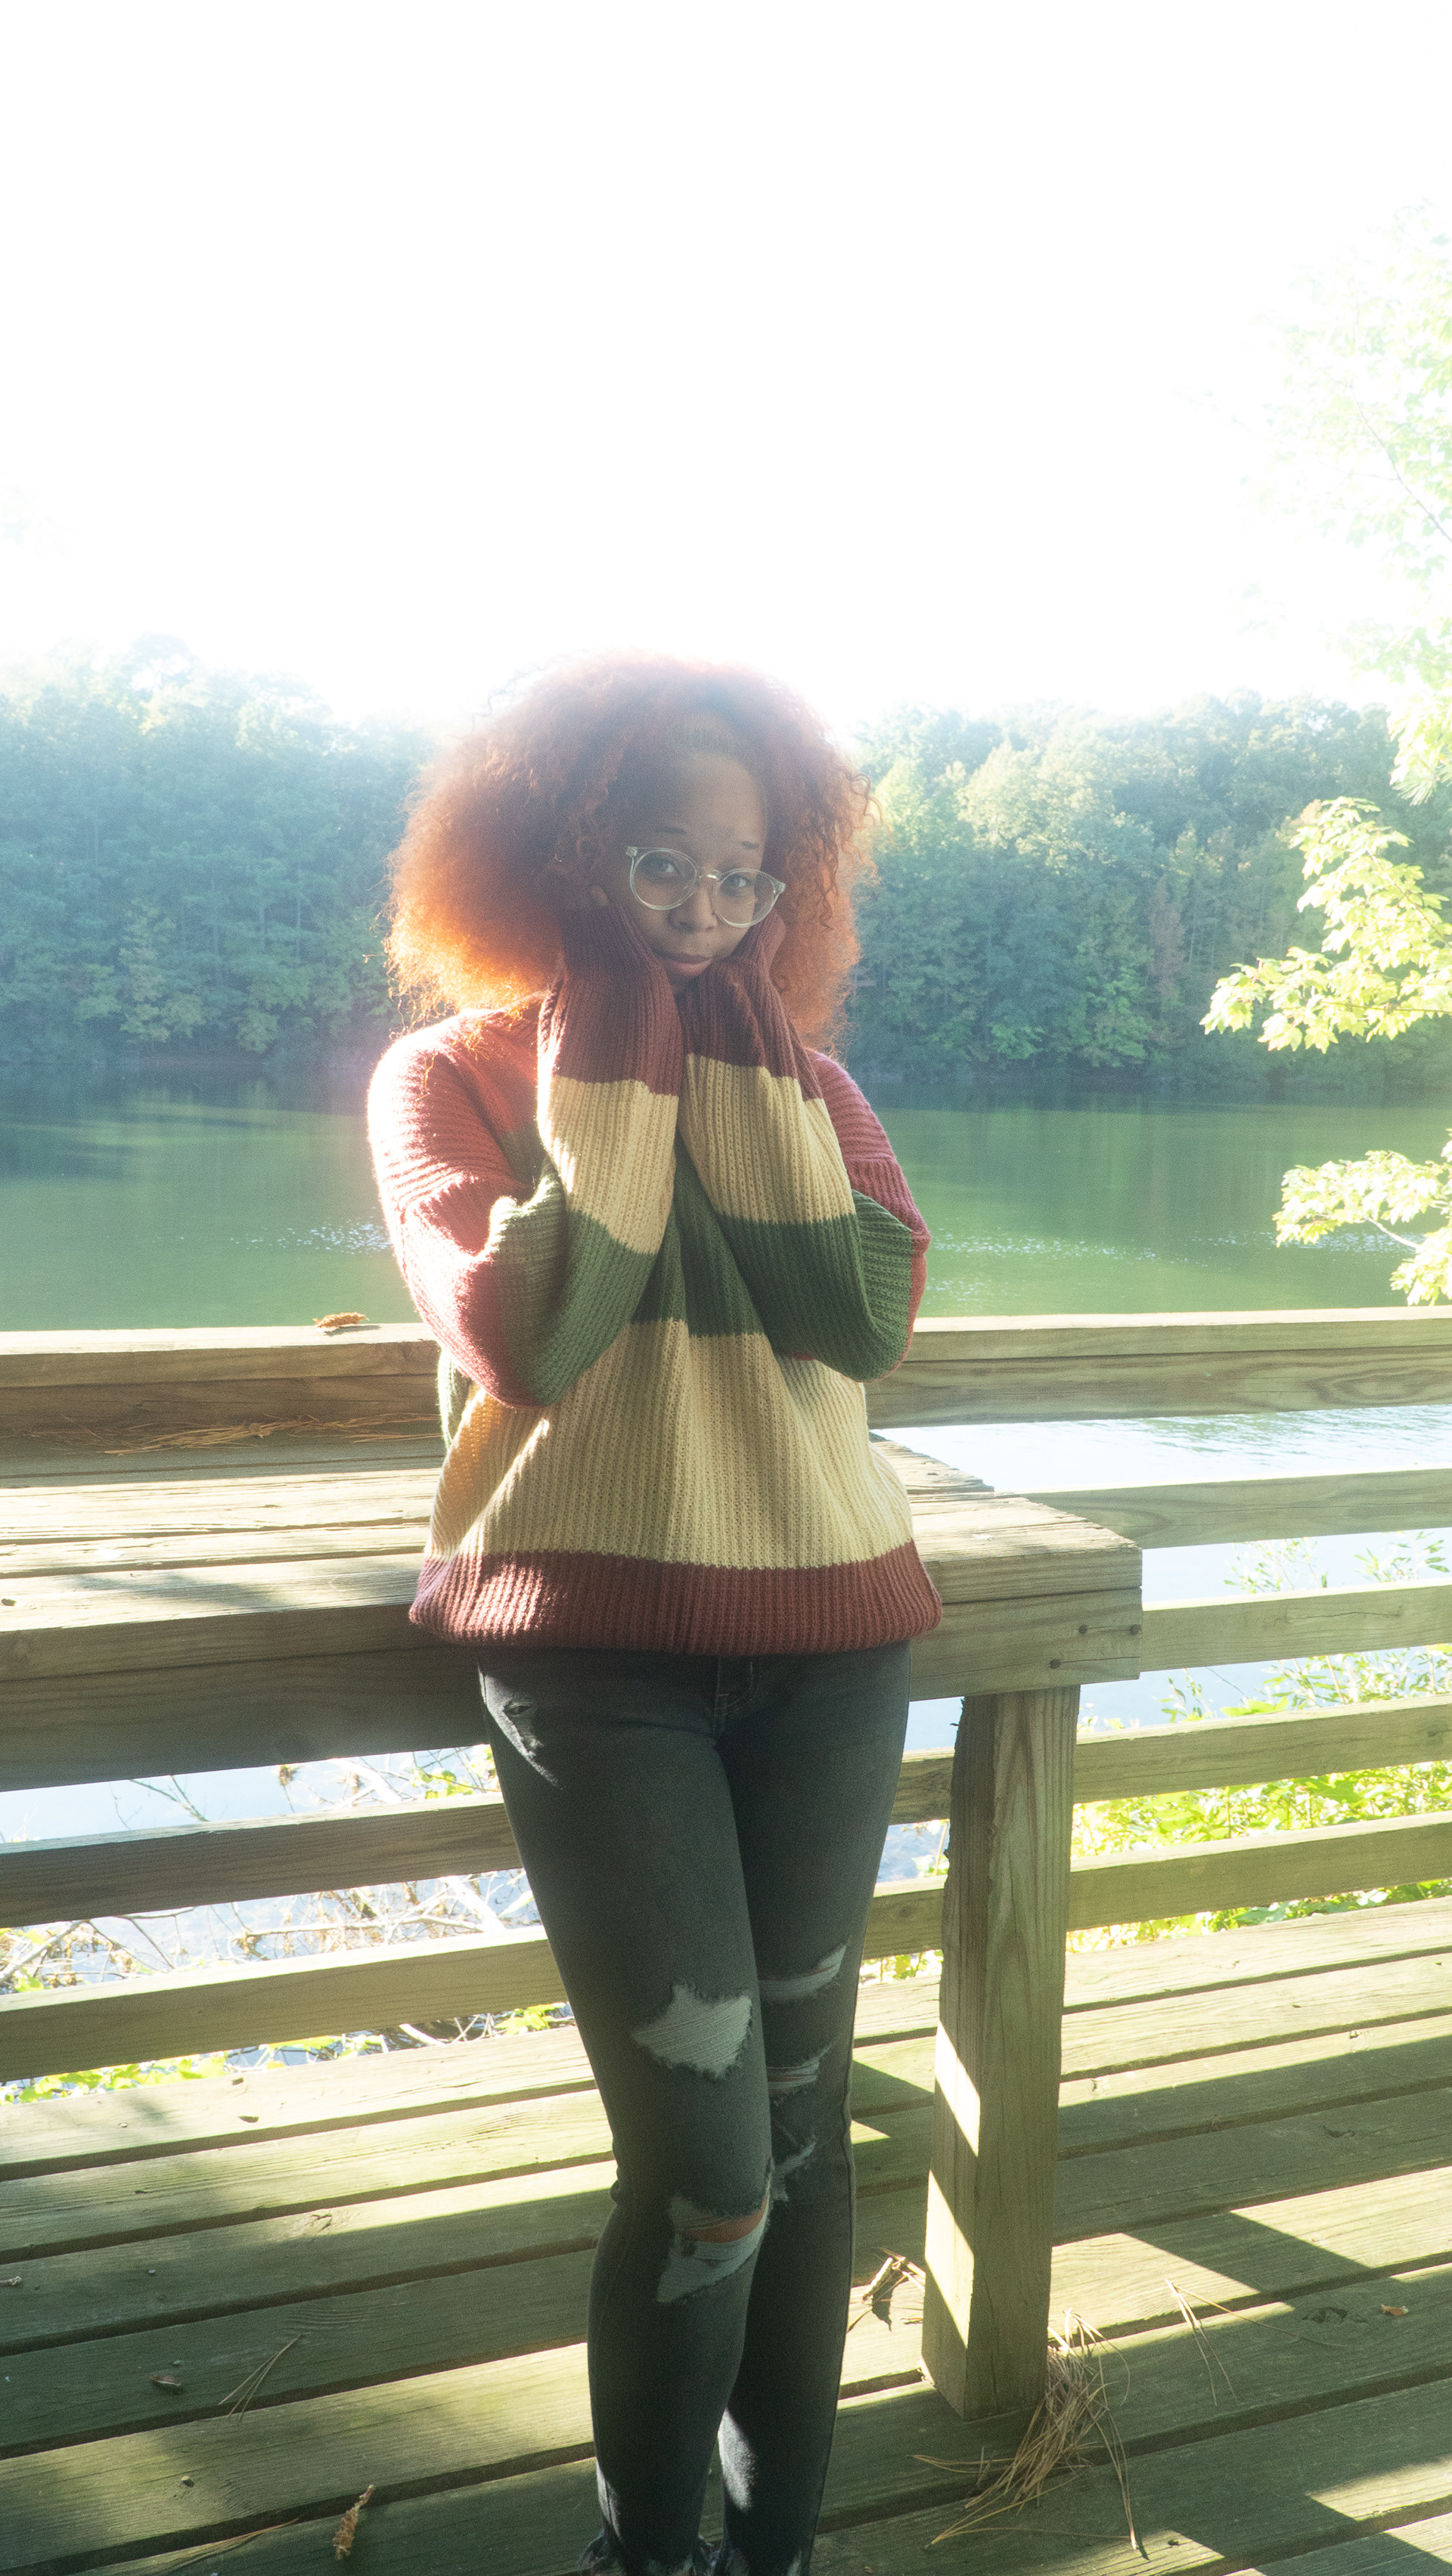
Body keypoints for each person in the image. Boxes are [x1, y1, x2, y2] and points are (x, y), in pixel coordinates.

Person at [368, 653, 940, 2576]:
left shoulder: (812, 1088)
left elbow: (860, 1315)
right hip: (593, 1658)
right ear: (563, 856)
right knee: (707, 2176)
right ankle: (649, 2560)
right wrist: (616, 1054)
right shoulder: (450, 1078)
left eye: (743, 875)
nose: (704, 908)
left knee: (799, 2140)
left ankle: (775, 2558)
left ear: (788, 889)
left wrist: (742, 1066)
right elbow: (532, 1329)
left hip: (833, 1642)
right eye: (660, 864)